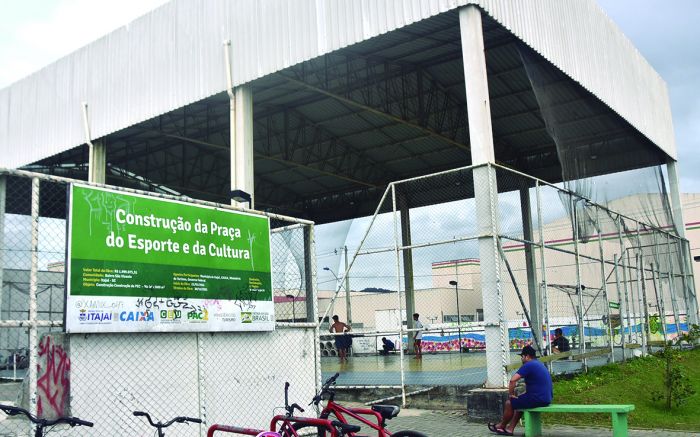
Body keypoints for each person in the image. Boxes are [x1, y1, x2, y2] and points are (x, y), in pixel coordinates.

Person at [488, 345, 552, 436]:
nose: (521, 359)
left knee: (509, 403)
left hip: (538, 399)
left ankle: (502, 426)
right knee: (520, 402)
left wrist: (511, 394)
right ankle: (510, 429)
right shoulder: (538, 364)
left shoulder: (528, 365)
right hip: (546, 398)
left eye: (522, 357)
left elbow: (513, 380)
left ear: (527, 356)